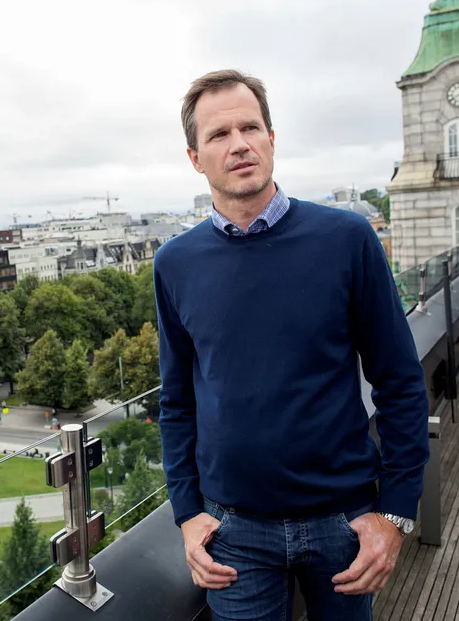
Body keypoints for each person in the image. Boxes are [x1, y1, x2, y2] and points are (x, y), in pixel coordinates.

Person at [155, 70, 429, 621]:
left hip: (343, 521)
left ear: (272, 139)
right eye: (219, 134)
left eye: (250, 127)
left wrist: (397, 513)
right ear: (195, 158)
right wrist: (186, 511)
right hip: (232, 534)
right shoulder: (175, 263)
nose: (239, 144)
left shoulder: (347, 239)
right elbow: (177, 401)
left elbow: (399, 381)